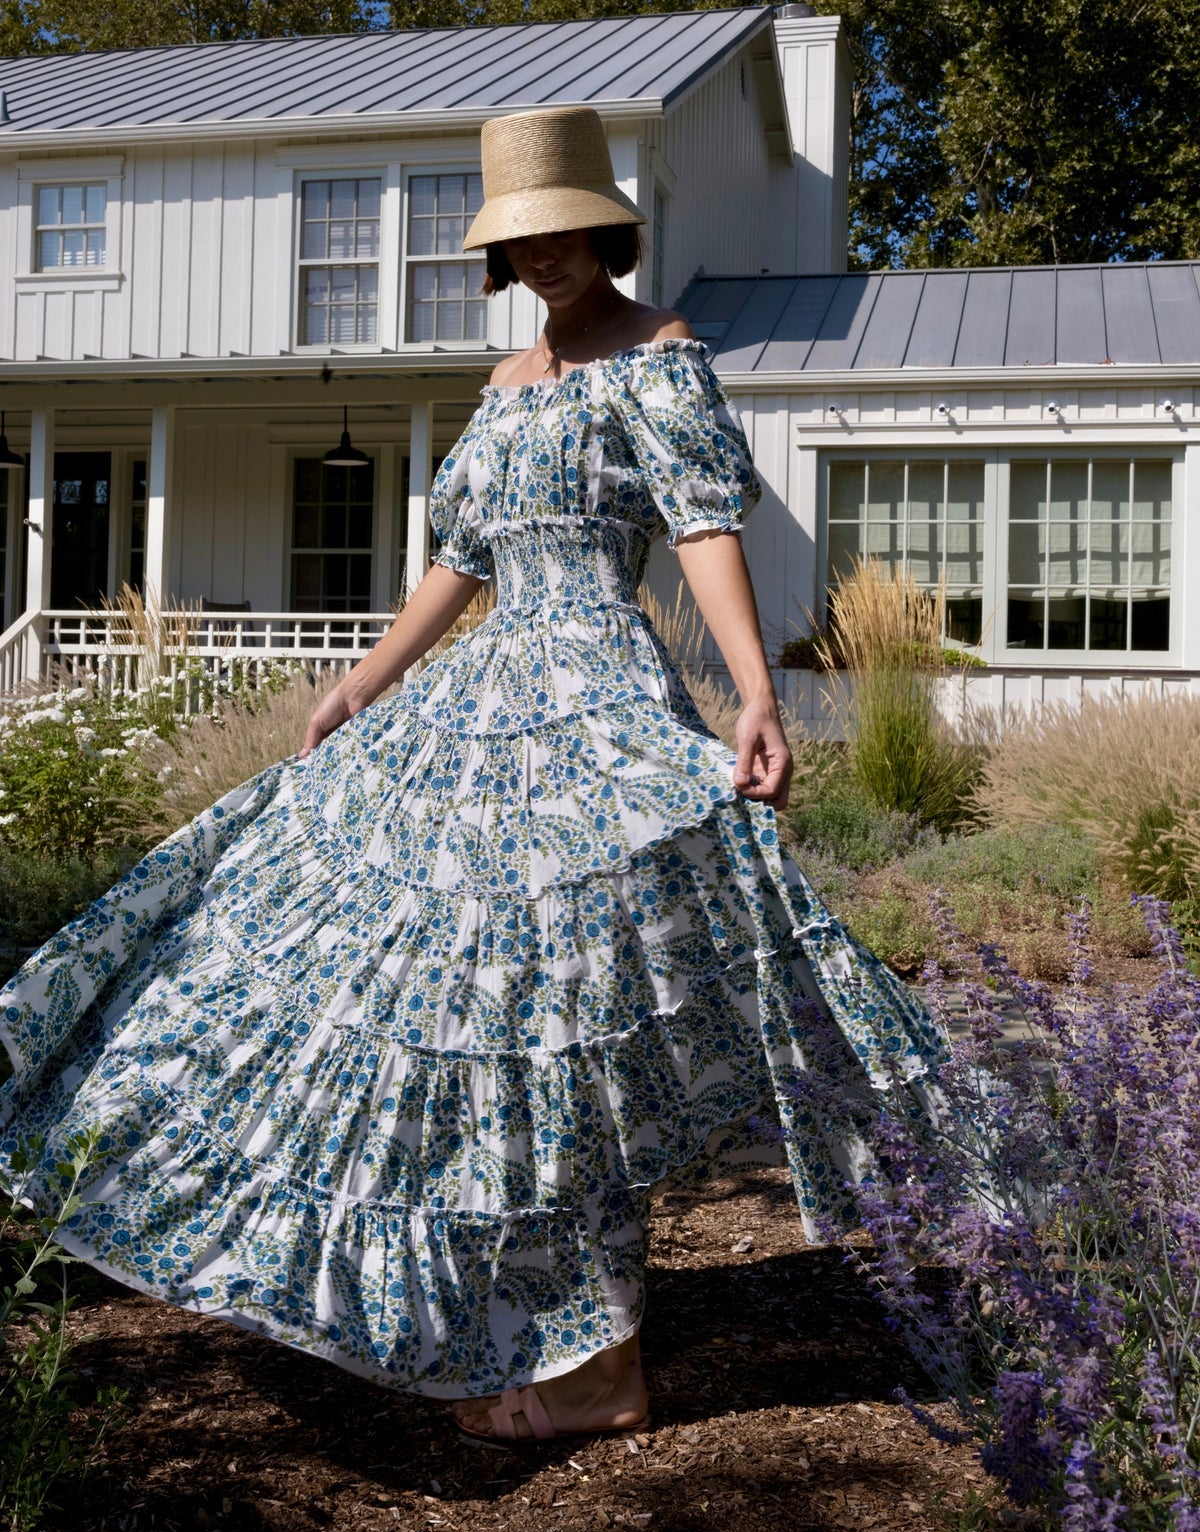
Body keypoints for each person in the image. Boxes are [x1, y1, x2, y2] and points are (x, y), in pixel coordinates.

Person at [0, 105, 946, 1449]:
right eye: (521, 237)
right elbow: (461, 562)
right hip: (472, 715)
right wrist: (366, 680)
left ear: (605, 228)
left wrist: (751, 690)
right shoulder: (504, 386)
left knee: (550, 1026)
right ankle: (522, 1324)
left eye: (566, 229)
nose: (547, 253)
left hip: (595, 713)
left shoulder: (661, 356)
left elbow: (703, 525)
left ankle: (598, 1365)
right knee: (411, 1002)